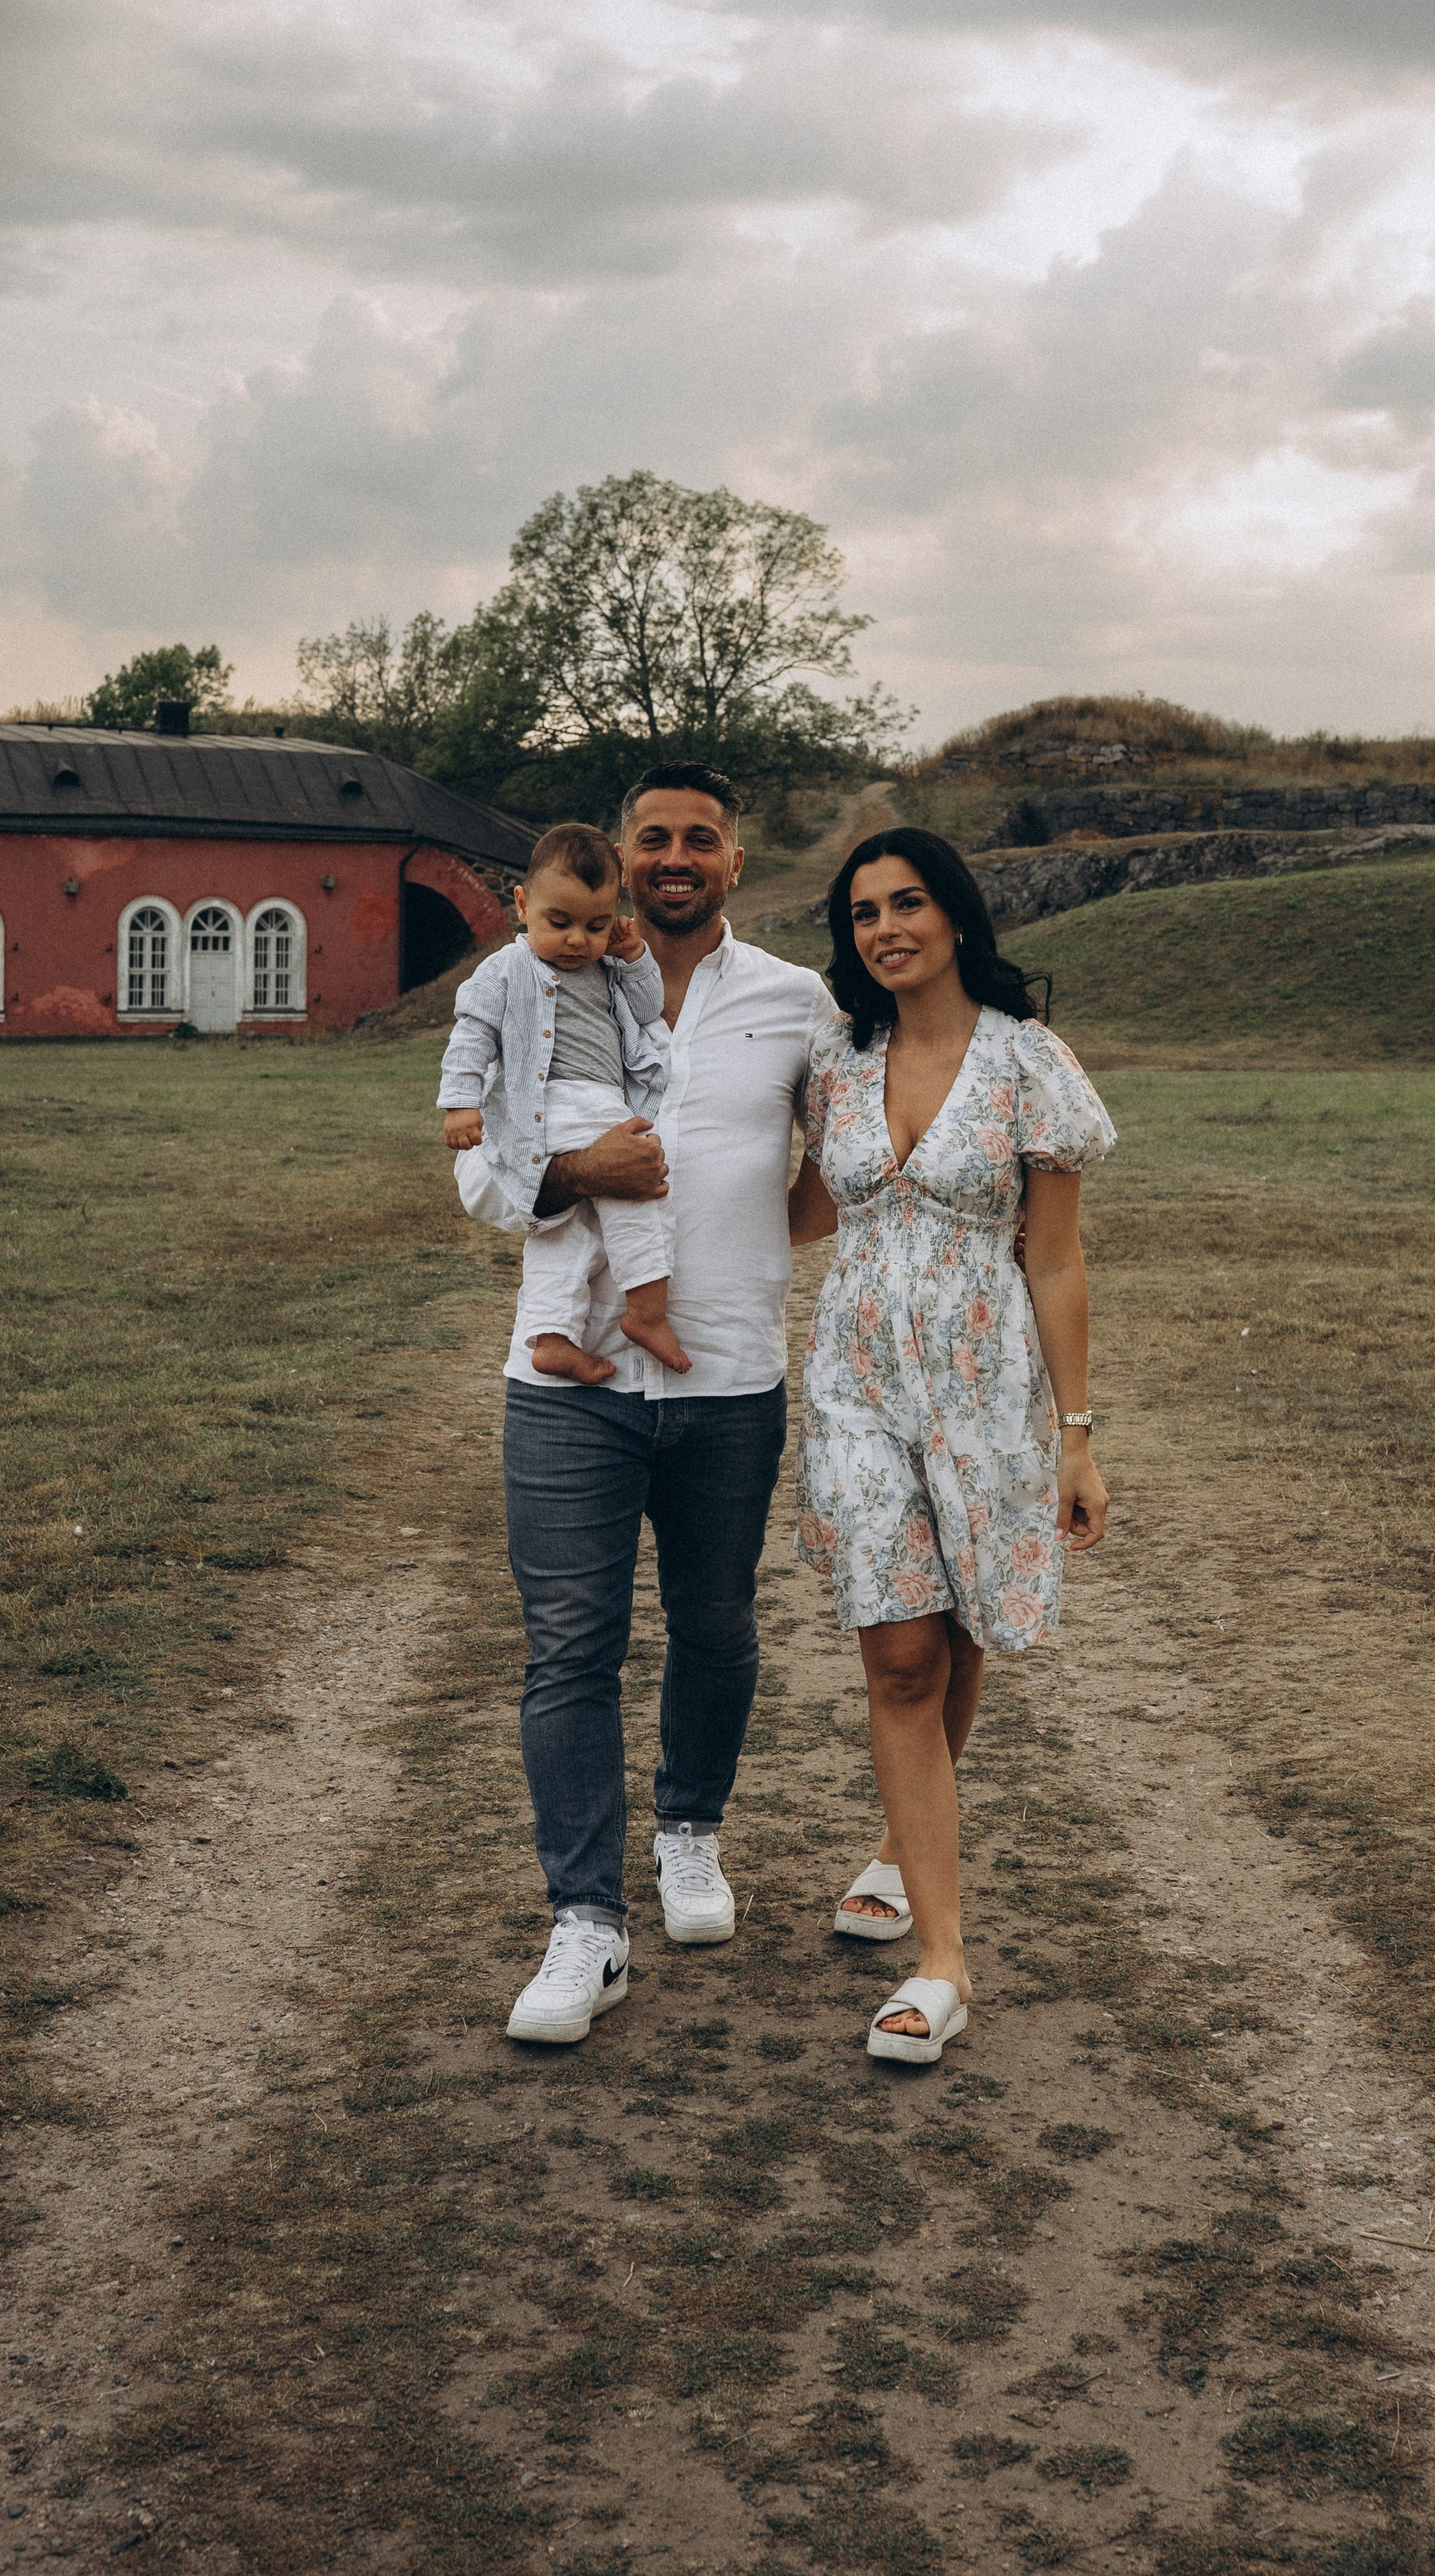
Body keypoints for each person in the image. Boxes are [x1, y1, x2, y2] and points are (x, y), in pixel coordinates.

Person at [447, 765, 835, 2046]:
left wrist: (742, 1257)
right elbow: (482, 1188)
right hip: (569, 1385)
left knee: (717, 1625)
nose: (676, 856)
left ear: (734, 856)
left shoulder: (796, 1001)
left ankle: (689, 1838)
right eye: (653, 838)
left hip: (729, 1379)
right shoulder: (528, 984)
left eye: (701, 840)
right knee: (571, 1648)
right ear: (616, 857)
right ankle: (586, 1925)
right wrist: (574, 1168)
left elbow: (837, 1169)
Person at [794, 825, 1114, 2066]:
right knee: (904, 1652)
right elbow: (813, 1207)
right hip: (858, 1388)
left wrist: (1077, 1438)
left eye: (908, 903)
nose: (886, 929)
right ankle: (942, 1962)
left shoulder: (1031, 1065)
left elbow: (1058, 1253)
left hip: (985, 1396)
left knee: (964, 1622)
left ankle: (893, 1848)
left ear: (956, 915)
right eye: (865, 912)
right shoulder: (834, 1064)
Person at [437, 822, 687, 1383]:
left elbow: (650, 1008)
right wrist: (460, 1104)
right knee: (639, 1192)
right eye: (561, 923)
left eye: (596, 925)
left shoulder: (607, 968)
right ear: (523, 905)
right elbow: (471, 1033)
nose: (578, 940)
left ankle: (550, 1336)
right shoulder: (506, 968)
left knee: (562, 1229)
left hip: (579, 1111)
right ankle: (646, 1313)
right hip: (563, 1104)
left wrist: (634, 953)